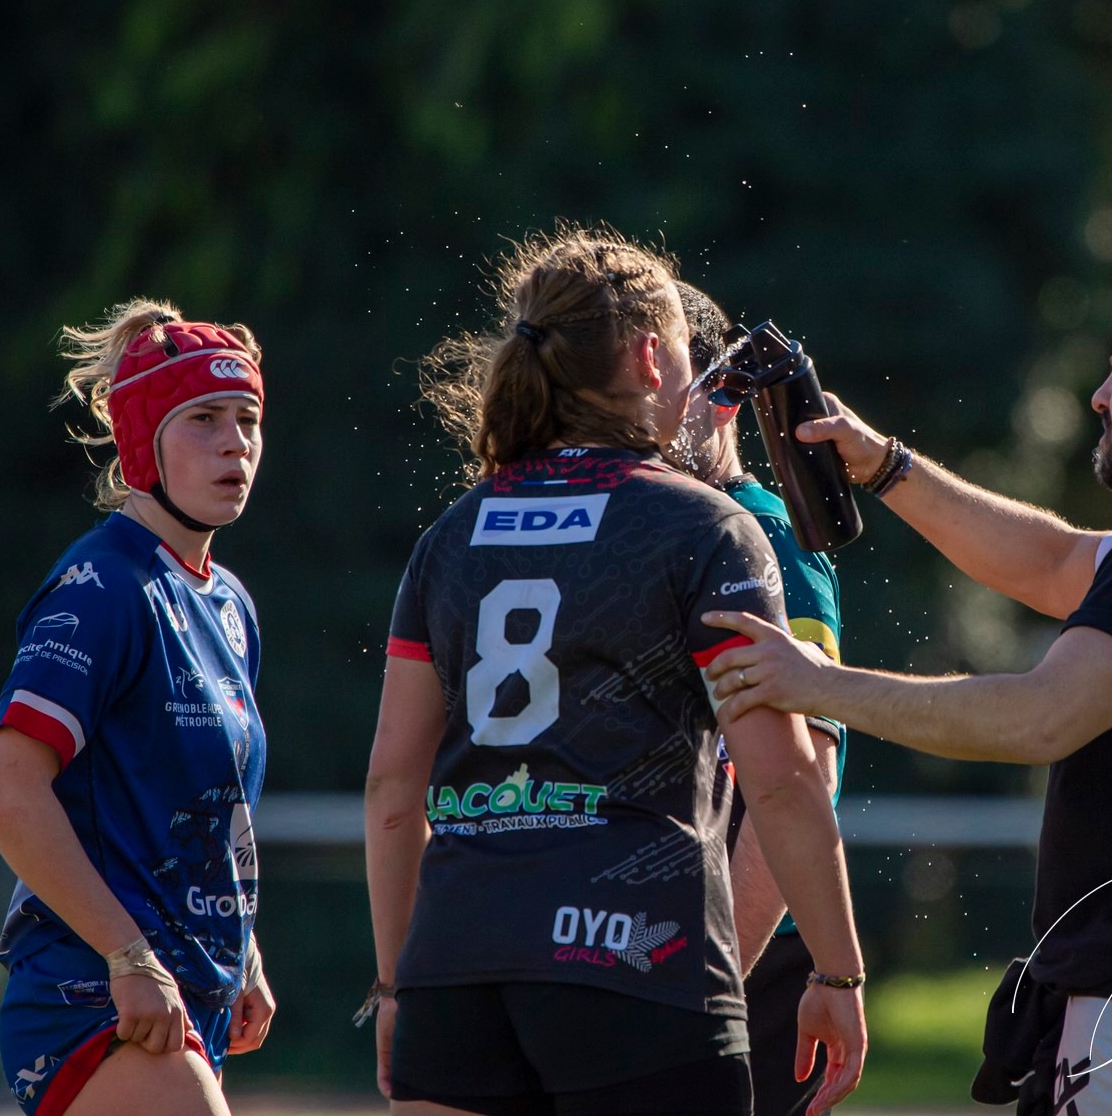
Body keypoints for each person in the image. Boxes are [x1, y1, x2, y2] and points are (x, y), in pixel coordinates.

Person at [704, 254, 1112, 1116]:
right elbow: (1055, 558)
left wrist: (814, 683)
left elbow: (1036, 718)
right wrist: (883, 465)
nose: (1101, 395)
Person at [362, 225, 866, 1116]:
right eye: (682, 349)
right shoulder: (707, 528)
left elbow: (394, 788)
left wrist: (401, 984)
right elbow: (785, 779)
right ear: (646, 354)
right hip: (635, 959)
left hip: (456, 966)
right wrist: (836, 968)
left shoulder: (450, 534)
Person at [0, 300, 275, 1116]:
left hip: (180, 993)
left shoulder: (229, 604)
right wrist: (128, 954)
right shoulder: (104, 586)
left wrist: (244, 956)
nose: (235, 442)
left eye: (247, 418)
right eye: (204, 419)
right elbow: (4, 791)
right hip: (91, 992)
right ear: (141, 442)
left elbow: (201, 809)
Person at [671, 282, 848, 1116]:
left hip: (746, 967)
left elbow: (804, 774)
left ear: (723, 396)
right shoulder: (668, 524)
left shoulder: (765, 534)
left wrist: (710, 994)